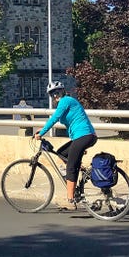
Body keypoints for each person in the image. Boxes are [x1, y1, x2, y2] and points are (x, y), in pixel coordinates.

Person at [37, 81, 97, 210]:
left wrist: (41, 133)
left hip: (84, 136)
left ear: (62, 91)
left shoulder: (65, 101)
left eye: (57, 92)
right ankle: (78, 173)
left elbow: (54, 118)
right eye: (52, 94)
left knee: (70, 167)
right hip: (83, 137)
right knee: (62, 153)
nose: (55, 95)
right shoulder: (66, 103)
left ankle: (70, 200)